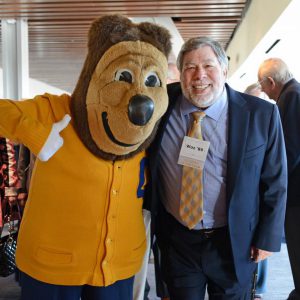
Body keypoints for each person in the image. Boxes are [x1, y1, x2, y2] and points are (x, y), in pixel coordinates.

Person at [145, 37, 288, 299]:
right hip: (178, 240)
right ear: (180, 73)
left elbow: (275, 180)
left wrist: (268, 237)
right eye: (189, 67)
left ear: (224, 70)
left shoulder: (261, 115)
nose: (199, 75)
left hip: (233, 243)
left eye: (208, 65)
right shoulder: (161, 105)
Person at [258, 58, 300, 300]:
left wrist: (270, 180)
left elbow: (289, 152)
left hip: (295, 194)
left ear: (271, 82)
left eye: (262, 85)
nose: (262, 90)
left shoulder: (290, 97)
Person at [243, 83, 273, 300]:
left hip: (262, 200)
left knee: (261, 248)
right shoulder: (241, 125)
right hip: (247, 204)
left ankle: (258, 289)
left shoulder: (271, 121)